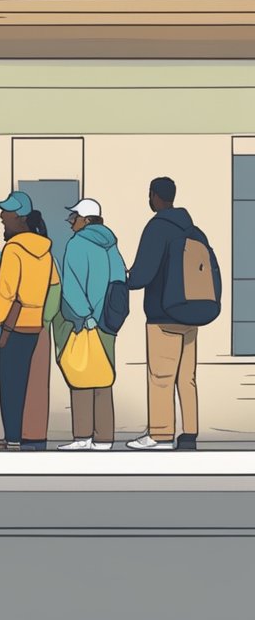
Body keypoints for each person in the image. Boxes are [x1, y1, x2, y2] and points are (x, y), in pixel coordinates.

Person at [126, 177, 213, 451]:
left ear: (155, 196)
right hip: (191, 314)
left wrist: (126, 279)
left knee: (161, 377)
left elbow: (141, 274)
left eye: (149, 194)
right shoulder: (194, 230)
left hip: (163, 316)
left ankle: (161, 435)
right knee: (187, 378)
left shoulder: (157, 228)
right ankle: (189, 433)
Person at [0, 191, 61, 452]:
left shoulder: (13, 249)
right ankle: (34, 436)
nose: (2, 217)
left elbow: (6, 291)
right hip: (39, 326)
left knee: (11, 384)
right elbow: (55, 288)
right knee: (36, 385)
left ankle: (13, 439)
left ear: (20, 218)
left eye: (6, 214)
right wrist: (44, 317)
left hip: (14, 325)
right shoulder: (46, 250)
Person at [57, 198, 126, 451]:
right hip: (108, 321)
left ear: (85, 220)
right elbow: (119, 283)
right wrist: (109, 318)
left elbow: (71, 286)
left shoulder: (77, 244)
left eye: (73, 217)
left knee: (80, 375)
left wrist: (85, 317)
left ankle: (83, 437)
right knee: (104, 378)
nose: (70, 222)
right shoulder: (112, 245)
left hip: (85, 322)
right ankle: (104, 438)